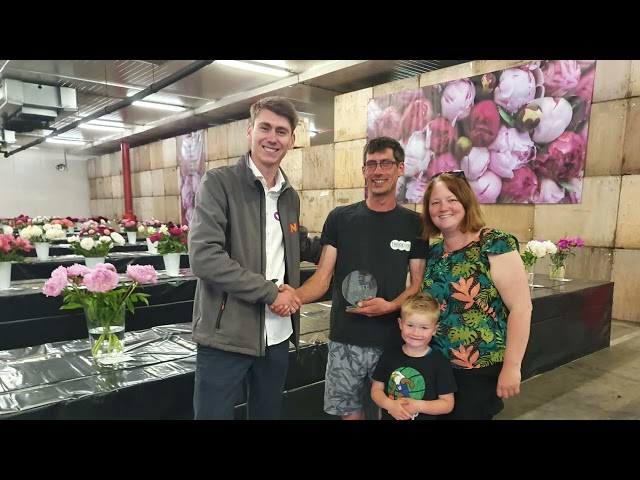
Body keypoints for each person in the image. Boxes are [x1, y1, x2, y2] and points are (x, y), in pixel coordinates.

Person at [188, 96, 316, 420]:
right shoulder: (219, 183)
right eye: (265, 128)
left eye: (281, 131)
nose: (272, 138)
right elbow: (204, 257)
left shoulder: (289, 196)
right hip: (226, 336)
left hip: (277, 335)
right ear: (250, 131)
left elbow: (299, 244)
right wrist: (271, 292)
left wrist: (345, 237)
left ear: (292, 140)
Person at [288, 136, 429, 420]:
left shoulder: (414, 224)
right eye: (371, 164)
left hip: (392, 341)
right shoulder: (340, 218)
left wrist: (390, 306)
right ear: (364, 171)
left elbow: (416, 284)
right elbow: (322, 278)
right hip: (345, 339)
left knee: (391, 413)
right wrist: (289, 297)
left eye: (386, 163)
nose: (378, 171)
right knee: (350, 415)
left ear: (400, 168)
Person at [419, 170, 532, 420]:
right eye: (435, 202)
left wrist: (512, 367)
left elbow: (521, 309)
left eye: (451, 200)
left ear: (466, 202)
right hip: (436, 366)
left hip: (479, 367)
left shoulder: (494, 243)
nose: (443, 208)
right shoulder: (434, 253)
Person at [371, 292, 456, 420]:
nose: (416, 333)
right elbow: (376, 390)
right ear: (400, 324)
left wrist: (417, 406)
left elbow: (447, 404)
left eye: (424, 328)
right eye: (410, 325)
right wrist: (390, 405)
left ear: (434, 330)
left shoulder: (440, 363)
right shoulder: (388, 356)